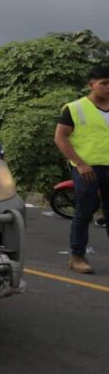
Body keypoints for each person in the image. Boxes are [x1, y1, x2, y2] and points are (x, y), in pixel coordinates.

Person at [54, 63, 109, 275]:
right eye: (104, 83)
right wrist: (80, 163)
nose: (108, 88)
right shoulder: (74, 108)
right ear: (91, 84)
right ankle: (77, 257)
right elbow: (60, 137)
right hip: (87, 169)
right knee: (84, 213)